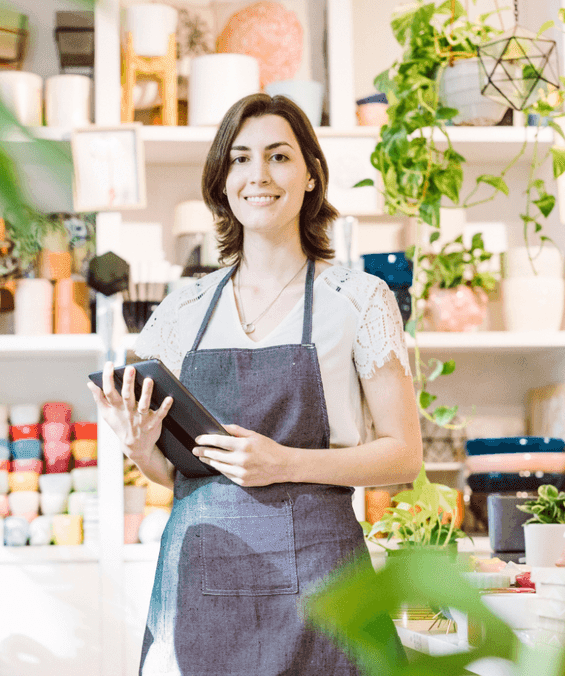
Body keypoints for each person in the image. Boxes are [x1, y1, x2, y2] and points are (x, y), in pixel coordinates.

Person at [87, 93, 423, 675]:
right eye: (240, 159)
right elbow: (179, 473)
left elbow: (404, 456)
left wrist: (284, 462)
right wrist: (141, 448)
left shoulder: (359, 299)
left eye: (278, 157)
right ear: (222, 182)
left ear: (312, 176)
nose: (258, 175)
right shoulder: (181, 311)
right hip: (200, 588)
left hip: (326, 589)